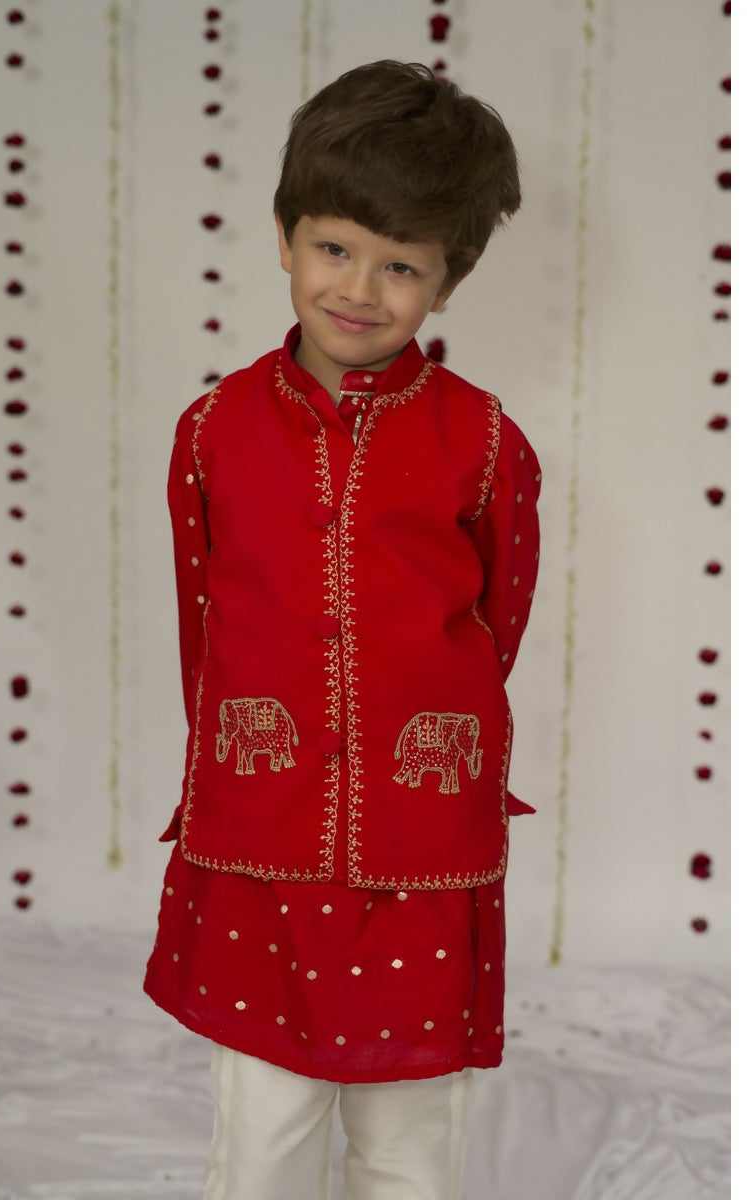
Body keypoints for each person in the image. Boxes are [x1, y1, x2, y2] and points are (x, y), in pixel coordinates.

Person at [144, 59, 542, 1200]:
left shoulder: (485, 443)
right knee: (262, 1129)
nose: (361, 288)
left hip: (421, 844)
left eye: (402, 265)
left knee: (408, 1135)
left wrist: (403, 734)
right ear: (284, 236)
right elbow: (203, 622)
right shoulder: (212, 430)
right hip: (259, 833)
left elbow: (495, 625)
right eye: (334, 247)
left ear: (448, 282)